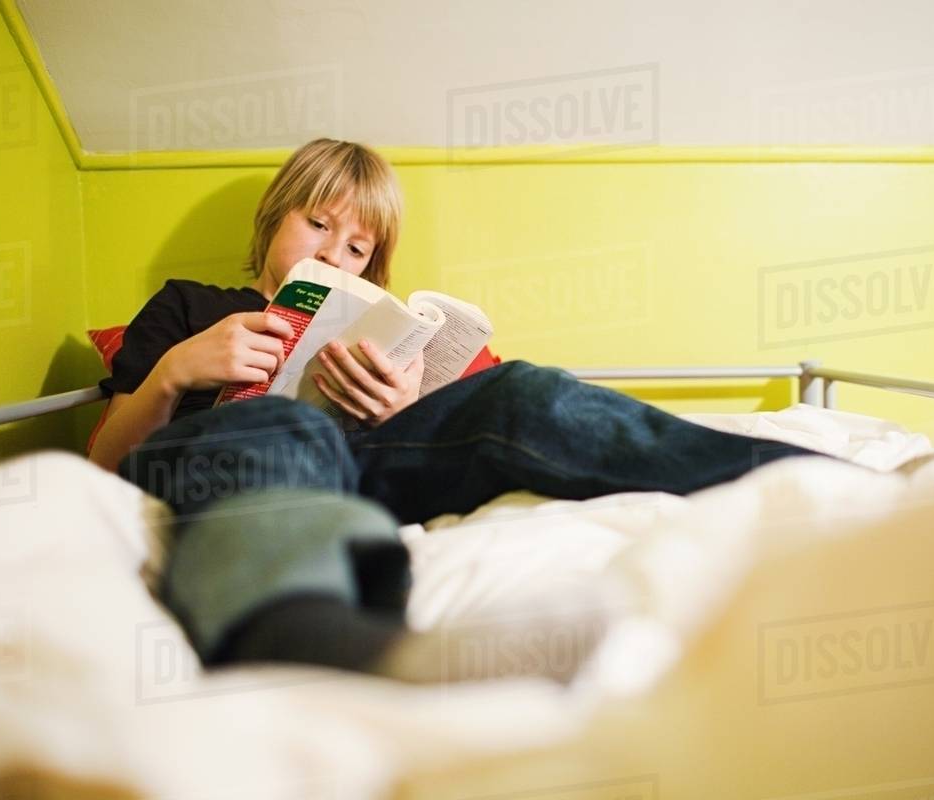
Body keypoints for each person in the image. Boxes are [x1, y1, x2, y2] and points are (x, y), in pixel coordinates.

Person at [89, 139, 824, 678]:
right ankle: (312, 637)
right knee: (285, 421)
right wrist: (175, 371)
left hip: (362, 458)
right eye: (317, 224)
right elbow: (104, 461)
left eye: (358, 248)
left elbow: (428, 429)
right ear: (275, 214)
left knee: (521, 392)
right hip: (234, 460)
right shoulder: (189, 305)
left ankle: (817, 478)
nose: (335, 254)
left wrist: (398, 408)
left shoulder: (371, 323)